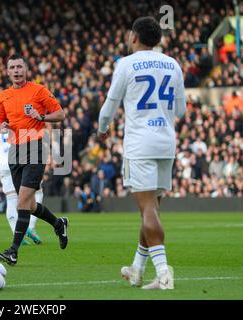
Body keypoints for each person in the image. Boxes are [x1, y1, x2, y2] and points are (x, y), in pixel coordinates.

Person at [97, 17, 186, 290]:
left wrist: (102, 128)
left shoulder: (126, 64)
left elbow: (111, 103)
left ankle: (163, 274)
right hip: (165, 144)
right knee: (152, 209)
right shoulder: (173, 64)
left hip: (140, 145)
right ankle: (137, 268)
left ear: (134, 36)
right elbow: (181, 111)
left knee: (147, 208)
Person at [0, 54, 68, 265]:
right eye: (12, 67)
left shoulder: (39, 90)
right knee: (30, 204)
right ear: (7, 71)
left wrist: (42, 117)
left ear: (26, 69)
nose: (16, 70)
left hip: (35, 146)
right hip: (15, 150)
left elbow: (60, 114)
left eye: (19, 66)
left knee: (22, 200)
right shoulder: (4, 96)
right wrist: (2, 127)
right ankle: (58, 224)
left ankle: (13, 250)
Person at [0, 130, 42, 245]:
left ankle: (16, 232)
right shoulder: (17, 118)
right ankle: (31, 226)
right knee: (36, 192)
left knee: (11, 198)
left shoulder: (0, 121)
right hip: (20, 160)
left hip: (4, 162)